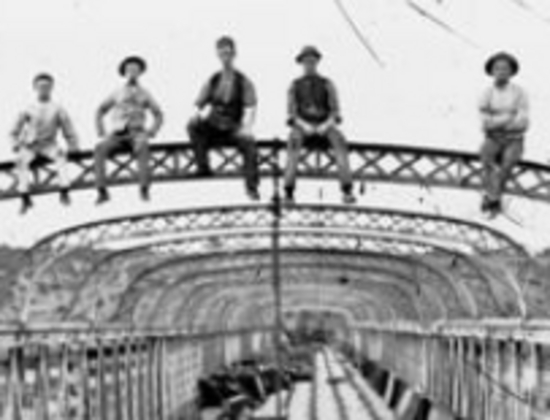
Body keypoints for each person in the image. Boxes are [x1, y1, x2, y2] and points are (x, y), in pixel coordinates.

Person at [187, 36, 260, 200]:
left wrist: (246, 128)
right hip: (213, 124)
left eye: (228, 52)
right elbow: (199, 103)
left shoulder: (243, 81)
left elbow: (251, 107)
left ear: (234, 54)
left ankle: (252, 187)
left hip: (233, 127)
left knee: (249, 145)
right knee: (193, 127)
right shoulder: (213, 79)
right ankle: (203, 166)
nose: (225, 56)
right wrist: (195, 115)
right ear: (218, 55)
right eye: (222, 53)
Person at [284, 46, 355, 205]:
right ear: (301, 63)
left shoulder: (327, 84)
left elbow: (335, 111)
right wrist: (304, 125)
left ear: (317, 62)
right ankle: (288, 190)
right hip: (302, 125)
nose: (309, 64)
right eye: (306, 61)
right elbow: (291, 114)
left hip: (325, 124)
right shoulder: (294, 85)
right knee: (293, 144)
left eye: (312, 61)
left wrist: (325, 125)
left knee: (340, 142)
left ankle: (347, 189)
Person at [94, 56, 164, 204]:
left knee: (142, 146)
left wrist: (152, 131)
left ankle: (144, 188)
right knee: (100, 148)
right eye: (129, 69)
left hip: (136, 132)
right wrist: (101, 130)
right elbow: (100, 110)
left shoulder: (145, 93)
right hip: (117, 134)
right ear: (124, 73)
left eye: (135, 69)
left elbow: (158, 114)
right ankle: (102, 191)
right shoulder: (116, 92)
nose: (132, 72)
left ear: (140, 73)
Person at [10, 73, 79, 214]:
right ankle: (25, 197)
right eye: (41, 86)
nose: (44, 89)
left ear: (51, 88)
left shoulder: (58, 108)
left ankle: (64, 190)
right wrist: (15, 143)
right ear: (35, 88)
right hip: (30, 146)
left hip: (49, 145)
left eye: (47, 86)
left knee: (60, 156)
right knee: (21, 161)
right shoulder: (27, 108)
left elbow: (68, 129)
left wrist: (73, 146)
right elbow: (13, 131)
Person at [479, 51, 529, 217]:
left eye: (505, 68)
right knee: (486, 160)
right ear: (492, 71)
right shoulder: (487, 93)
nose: (501, 72)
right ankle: (492, 198)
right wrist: (507, 117)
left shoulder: (519, 93)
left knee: (507, 165)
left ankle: (492, 199)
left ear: (511, 72)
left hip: (514, 139)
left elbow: (522, 120)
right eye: (497, 68)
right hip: (493, 138)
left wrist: (499, 121)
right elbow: (485, 121)